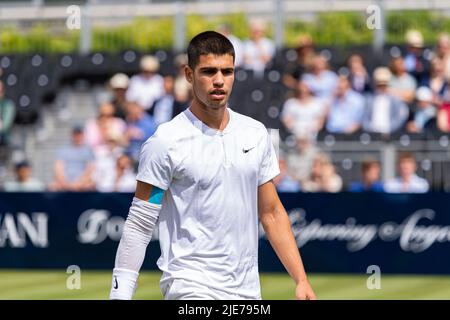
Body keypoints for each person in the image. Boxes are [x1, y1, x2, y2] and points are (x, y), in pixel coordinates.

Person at [109, 31, 315, 300]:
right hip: (190, 287)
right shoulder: (165, 142)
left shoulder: (255, 133)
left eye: (227, 71)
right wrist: (120, 294)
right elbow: (140, 222)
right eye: (208, 71)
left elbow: (272, 213)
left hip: (247, 291)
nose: (219, 80)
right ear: (188, 74)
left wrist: (301, 279)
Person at [362, 67, 409, 135]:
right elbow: (364, 118)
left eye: (384, 85)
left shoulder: (395, 99)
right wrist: (371, 129)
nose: (382, 87)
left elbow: (401, 116)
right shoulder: (369, 99)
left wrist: (389, 129)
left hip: (390, 134)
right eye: (379, 85)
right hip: (372, 135)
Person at [48, 125, 96, 191]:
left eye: (79, 134)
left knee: (90, 185)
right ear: (72, 135)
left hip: (82, 183)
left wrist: (78, 184)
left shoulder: (88, 150)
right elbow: (58, 168)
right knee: (52, 186)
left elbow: (90, 170)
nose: (77, 136)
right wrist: (65, 184)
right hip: (64, 182)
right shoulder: (63, 150)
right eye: (75, 134)